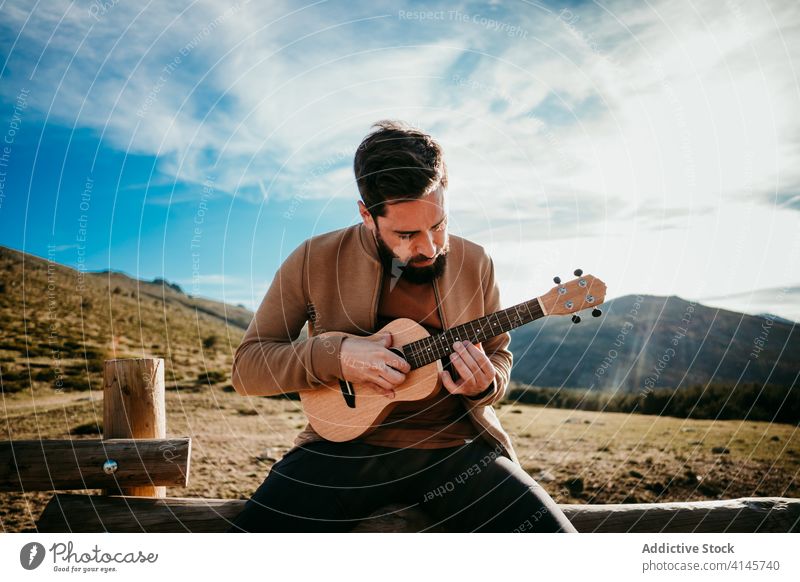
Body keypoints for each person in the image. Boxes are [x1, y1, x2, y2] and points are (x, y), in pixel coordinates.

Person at [226, 120, 577, 533]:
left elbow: (498, 353)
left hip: (458, 452)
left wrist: (484, 383)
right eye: (407, 233)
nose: (429, 246)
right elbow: (247, 367)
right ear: (366, 214)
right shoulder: (313, 259)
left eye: (439, 224)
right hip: (341, 453)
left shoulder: (477, 261)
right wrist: (335, 355)